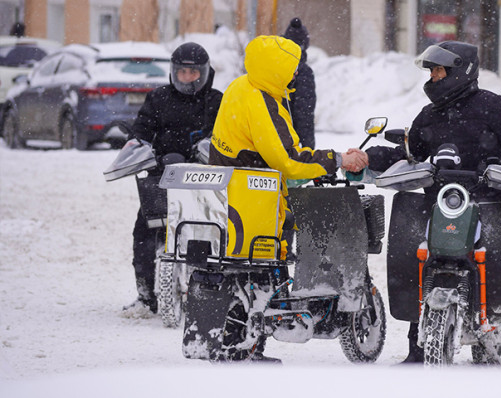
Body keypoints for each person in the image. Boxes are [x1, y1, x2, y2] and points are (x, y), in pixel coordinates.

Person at [361, 41, 501, 366]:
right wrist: (368, 158)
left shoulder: (493, 106)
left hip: (489, 203)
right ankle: (418, 350)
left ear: (461, 71)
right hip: (439, 204)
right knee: (419, 263)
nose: (433, 77)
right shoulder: (430, 114)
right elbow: (408, 151)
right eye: (431, 71)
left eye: (439, 70)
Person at [208, 35, 366, 359]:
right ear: (277, 69)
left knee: (255, 261)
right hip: (254, 194)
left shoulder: (242, 86)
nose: (294, 74)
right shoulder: (261, 99)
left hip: (233, 190)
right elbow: (289, 160)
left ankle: (252, 333)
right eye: (291, 68)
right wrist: (336, 159)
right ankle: (254, 338)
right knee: (268, 256)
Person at [123, 42, 223, 316]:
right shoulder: (158, 98)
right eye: (182, 73)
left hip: (203, 182)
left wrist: (206, 148)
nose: (187, 78)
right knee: (143, 233)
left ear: (204, 72)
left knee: (212, 236)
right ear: (173, 72)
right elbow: (142, 128)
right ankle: (145, 297)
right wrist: (138, 143)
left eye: (193, 73)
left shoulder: (217, 101)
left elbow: (225, 137)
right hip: (161, 180)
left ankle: (210, 294)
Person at [283, 17, 317, 149]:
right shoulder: (303, 72)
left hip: (269, 135)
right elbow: (304, 113)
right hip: (289, 139)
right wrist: (309, 147)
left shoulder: (274, 64)